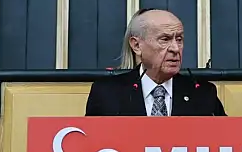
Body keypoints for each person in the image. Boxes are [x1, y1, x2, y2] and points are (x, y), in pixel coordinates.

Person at [85, 8, 226, 116]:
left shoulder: (203, 94)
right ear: (136, 45)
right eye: (165, 39)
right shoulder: (107, 93)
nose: (175, 48)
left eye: (179, 39)